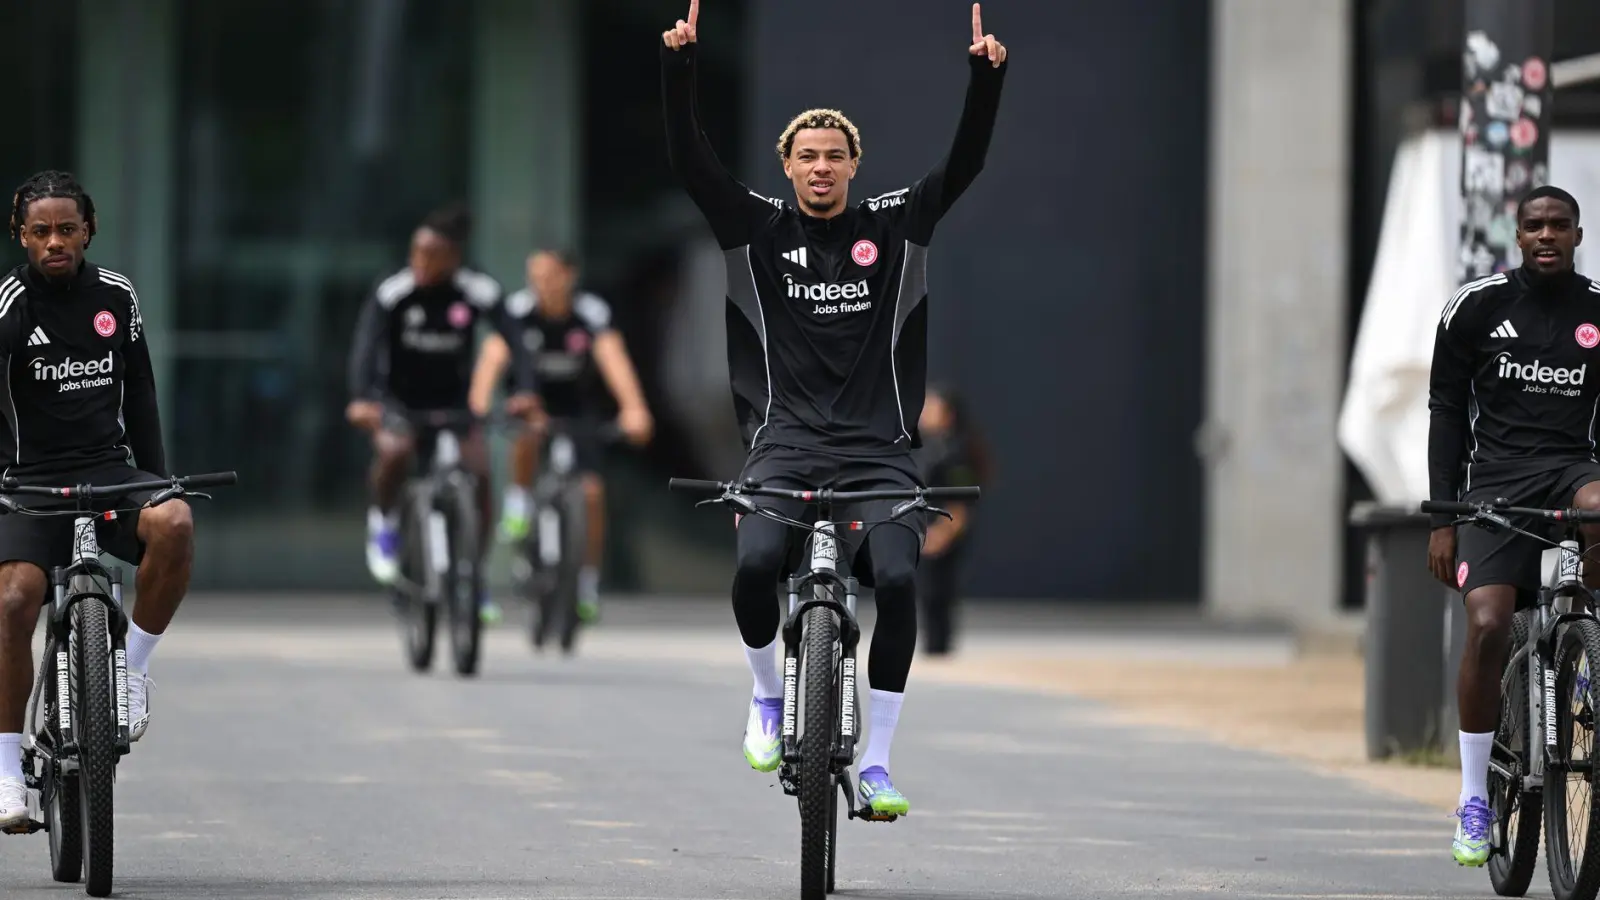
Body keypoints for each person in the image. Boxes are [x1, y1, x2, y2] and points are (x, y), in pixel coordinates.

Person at [660, 0, 1007, 817]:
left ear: (854, 165)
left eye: (835, 156)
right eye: (807, 156)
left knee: (896, 578)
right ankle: (767, 698)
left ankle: (879, 762)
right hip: (780, 447)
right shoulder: (752, 227)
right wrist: (679, 69)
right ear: (786, 166)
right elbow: (691, 163)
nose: (821, 167)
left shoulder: (896, 228)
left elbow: (964, 164)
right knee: (751, 566)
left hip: (880, 453)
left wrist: (986, 81)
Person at [0, 171, 193, 826]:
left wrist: (159, 477)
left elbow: (139, 390)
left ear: (89, 230)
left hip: (109, 471)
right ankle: (5, 773)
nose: (55, 241)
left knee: (174, 522)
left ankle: (131, 672)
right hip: (26, 479)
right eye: (41, 231)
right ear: (21, 236)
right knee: (14, 599)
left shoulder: (116, 295)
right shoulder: (7, 307)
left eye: (67, 229)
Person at [1427, 184, 1600, 866]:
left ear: (1578, 235)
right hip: (1495, 482)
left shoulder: (1596, 310)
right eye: (1536, 225)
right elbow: (1444, 411)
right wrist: (1444, 518)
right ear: (1518, 234)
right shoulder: (1476, 307)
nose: (1548, 235)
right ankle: (1473, 795)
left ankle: (1586, 647)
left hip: (1571, 468)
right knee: (1490, 624)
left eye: (1560, 224)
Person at [345, 203, 539, 602]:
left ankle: (473, 570)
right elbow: (365, 345)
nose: (421, 262)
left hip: (454, 403)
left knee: (480, 473)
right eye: (416, 253)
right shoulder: (395, 290)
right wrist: (362, 399)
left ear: (454, 257)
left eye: (432, 255)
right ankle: (384, 522)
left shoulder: (476, 290)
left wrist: (525, 390)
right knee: (395, 453)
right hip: (399, 401)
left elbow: (516, 341)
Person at [468, 248, 654, 625]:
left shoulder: (590, 314)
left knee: (591, 493)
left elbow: (613, 360)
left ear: (570, 275)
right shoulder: (518, 311)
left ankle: (586, 580)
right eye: (534, 276)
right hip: (532, 404)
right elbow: (493, 357)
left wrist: (634, 408)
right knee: (530, 431)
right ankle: (519, 503)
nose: (541, 285)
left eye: (549, 275)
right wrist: (479, 403)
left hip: (578, 410)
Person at [912, 384, 991, 656]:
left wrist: (943, 534)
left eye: (932, 408)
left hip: (944, 532)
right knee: (928, 592)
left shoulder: (956, 451)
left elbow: (961, 504)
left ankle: (939, 647)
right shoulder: (929, 447)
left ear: (948, 414)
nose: (925, 413)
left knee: (939, 591)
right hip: (929, 530)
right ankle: (933, 645)